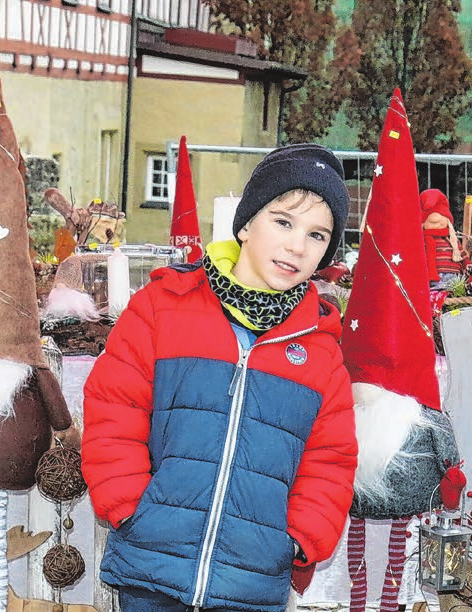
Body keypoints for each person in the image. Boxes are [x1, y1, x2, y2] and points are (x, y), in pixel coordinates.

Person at [82, 143, 358, 612]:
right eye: (283, 222)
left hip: (251, 583)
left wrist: (295, 540)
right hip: (153, 569)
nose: (296, 245)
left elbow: (330, 460)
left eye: (317, 235)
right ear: (248, 222)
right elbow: (114, 409)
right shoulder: (164, 307)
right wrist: (129, 507)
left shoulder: (321, 352)